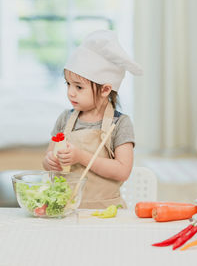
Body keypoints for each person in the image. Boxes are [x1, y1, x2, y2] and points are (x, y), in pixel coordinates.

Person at [42, 30, 142, 209]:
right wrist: (50, 162)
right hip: (66, 209)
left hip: (106, 212)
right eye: (68, 84)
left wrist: (80, 156)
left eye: (79, 87)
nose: (70, 92)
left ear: (105, 90)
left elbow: (122, 171)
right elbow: (48, 160)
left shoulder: (120, 124)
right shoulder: (65, 119)